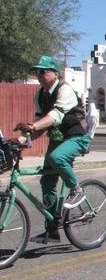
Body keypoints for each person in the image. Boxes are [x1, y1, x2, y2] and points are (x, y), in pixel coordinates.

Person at [13, 56, 90, 243]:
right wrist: (22, 139)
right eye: (37, 72)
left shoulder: (65, 91)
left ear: (55, 73)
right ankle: (53, 229)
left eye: (43, 71)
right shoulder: (40, 95)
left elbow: (55, 116)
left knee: (57, 158)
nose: (39, 75)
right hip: (58, 139)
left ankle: (76, 189)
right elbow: (40, 124)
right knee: (46, 182)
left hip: (77, 137)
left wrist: (32, 127)